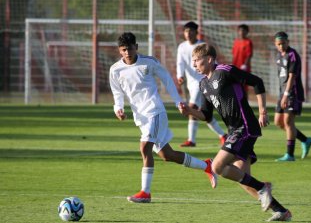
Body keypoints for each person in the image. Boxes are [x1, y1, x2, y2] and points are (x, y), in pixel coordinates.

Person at [179, 43, 292, 221]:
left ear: (209, 59)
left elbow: (257, 82)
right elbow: (207, 116)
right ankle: (281, 211)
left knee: (217, 166)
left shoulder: (225, 71)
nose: (193, 65)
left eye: (196, 61)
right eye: (192, 62)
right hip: (234, 130)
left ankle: (263, 187)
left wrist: (262, 111)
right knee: (244, 180)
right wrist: (189, 111)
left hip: (245, 126)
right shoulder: (203, 85)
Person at [109, 32, 217, 203]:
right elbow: (117, 92)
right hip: (141, 118)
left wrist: (177, 102)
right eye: (124, 50)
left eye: (130, 48)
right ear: (119, 51)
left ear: (136, 47)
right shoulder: (115, 70)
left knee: (145, 148)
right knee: (167, 155)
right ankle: (207, 166)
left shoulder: (149, 62)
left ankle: (145, 192)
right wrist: (118, 108)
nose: (127, 52)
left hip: (155, 111)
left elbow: (167, 79)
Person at [176, 21, 227, 147]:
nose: (188, 34)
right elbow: (180, 63)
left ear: (196, 32)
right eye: (186, 31)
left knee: (192, 108)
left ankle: (191, 140)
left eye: (191, 31)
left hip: (202, 81)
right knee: (202, 113)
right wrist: (180, 75)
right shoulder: (182, 47)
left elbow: (213, 61)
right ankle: (223, 135)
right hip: (191, 83)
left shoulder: (203, 46)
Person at [273, 31, 311, 162]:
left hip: (292, 93)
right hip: (283, 93)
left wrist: (286, 94)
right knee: (278, 122)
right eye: (278, 44)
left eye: (283, 43)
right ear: (275, 44)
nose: (281, 46)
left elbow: (291, 77)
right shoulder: (278, 57)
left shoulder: (293, 55)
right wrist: (281, 94)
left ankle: (289, 155)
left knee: (288, 122)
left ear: (288, 42)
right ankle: (305, 140)